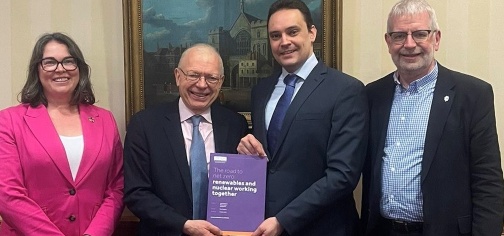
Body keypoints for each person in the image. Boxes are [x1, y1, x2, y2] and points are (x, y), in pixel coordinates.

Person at [361, 0, 504, 235]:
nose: (409, 44)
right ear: (388, 42)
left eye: (420, 34)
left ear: (436, 39)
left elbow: (487, 181)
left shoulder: (472, 95)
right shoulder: (372, 94)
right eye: (399, 36)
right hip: (383, 230)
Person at [237, 1, 368, 235]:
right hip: (263, 227)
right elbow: (272, 160)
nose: (284, 42)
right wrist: (246, 153)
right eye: (275, 35)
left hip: (325, 228)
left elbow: (343, 175)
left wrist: (284, 220)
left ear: (312, 32)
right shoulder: (261, 91)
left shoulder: (346, 90)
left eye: (293, 31)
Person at [0, 32, 124, 236]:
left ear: (79, 68)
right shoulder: (8, 121)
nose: (60, 69)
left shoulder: (105, 120)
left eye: (68, 61)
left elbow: (117, 186)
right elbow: (7, 194)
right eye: (49, 62)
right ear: (37, 70)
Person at [123, 43, 248, 236]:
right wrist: (183, 224)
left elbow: (242, 188)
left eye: (211, 77)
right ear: (178, 76)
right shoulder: (145, 125)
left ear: (221, 81)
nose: (202, 84)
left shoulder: (235, 124)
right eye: (194, 75)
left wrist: (257, 160)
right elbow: (136, 193)